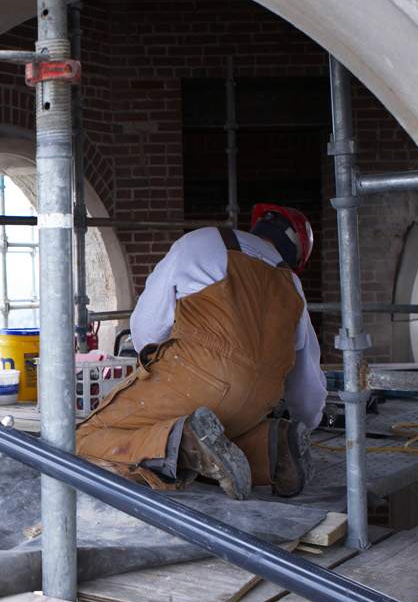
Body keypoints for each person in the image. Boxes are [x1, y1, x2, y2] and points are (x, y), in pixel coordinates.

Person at [76, 204, 327, 499]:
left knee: (81, 440)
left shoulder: (203, 242)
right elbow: (308, 385)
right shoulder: (292, 285)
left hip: (196, 377)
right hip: (259, 402)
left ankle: (182, 443)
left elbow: (146, 326)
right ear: (294, 255)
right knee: (221, 438)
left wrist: (158, 377)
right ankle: (271, 448)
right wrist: (306, 423)